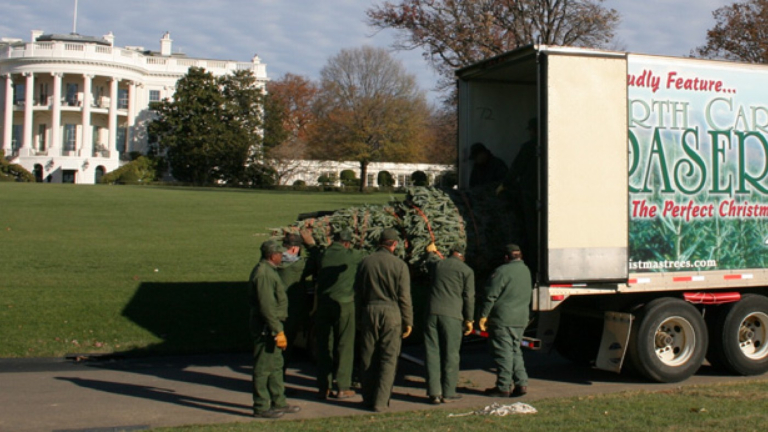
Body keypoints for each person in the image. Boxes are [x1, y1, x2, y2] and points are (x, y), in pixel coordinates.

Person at [355, 228, 413, 412]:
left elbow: (357, 293)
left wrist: (359, 316)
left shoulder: (365, 262)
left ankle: (367, 398)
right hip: (391, 313)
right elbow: (404, 297)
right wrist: (408, 321)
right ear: (394, 244)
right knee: (388, 358)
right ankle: (381, 401)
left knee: (367, 356)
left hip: (369, 310)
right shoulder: (399, 265)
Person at [248, 240, 302, 419]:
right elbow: (267, 306)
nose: (282, 256)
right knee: (263, 368)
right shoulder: (264, 274)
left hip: (274, 325)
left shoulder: (270, 271)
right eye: (280, 254)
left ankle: (279, 401)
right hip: (267, 327)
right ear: (273, 255)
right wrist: (277, 330)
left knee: (276, 366)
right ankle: (261, 406)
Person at [310, 228, 364, 400]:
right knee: (345, 345)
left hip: (323, 305)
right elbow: (366, 256)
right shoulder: (352, 256)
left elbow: (315, 255)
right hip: (344, 305)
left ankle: (323, 387)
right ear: (347, 243)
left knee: (324, 345)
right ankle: (342, 386)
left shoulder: (324, 254)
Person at [477, 244, 532, 398]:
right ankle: (521, 383)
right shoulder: (525, 270)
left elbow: (490, 295)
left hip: (503, 319)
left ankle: (503, 387)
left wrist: (483, 315)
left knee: (503, 353)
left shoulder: (501, 271)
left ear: (506, 257)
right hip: (520, 319)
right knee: (515, 351)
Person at [423, 244, 475, 404]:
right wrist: (469, 319)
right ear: (462, 256)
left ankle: (434, 393)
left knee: (432, 352)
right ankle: (449, 392)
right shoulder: (466, 271)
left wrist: (431, 252)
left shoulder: (438, 264)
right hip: (452, 315)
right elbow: (469, 297)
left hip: (431, 313)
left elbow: (430, 261)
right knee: (450, 354)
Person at [498, 118, 539, 277]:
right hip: (540, 195)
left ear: (534, 130)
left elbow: (516, 169)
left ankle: (533, 268)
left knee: (531, 233)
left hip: (529, 195)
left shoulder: (529, 147)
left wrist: (505, 185)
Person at [277, 232, 312, 374]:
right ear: (295, 249)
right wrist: (311, 245)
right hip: (290, 310)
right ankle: (278, 383)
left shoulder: (274, 262)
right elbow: (317, 261)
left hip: (276, 309)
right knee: (286, 347)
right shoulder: (298, 266)